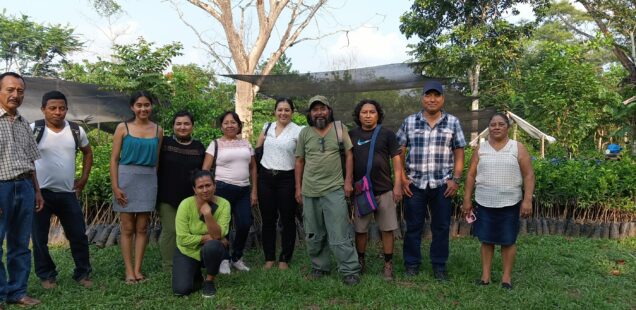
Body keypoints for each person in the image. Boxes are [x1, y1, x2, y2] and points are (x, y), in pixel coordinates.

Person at [397, 80, 466, 281]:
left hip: (442, 184)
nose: (432, 99)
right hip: (415, 184)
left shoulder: (452, 122)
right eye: (428, 95)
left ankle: (439, 265)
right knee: (413, 226)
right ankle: (411, 263)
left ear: (442, 99)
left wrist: (456, 179)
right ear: (422, 98)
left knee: (442, 227)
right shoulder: (410, 122)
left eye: (436, 95)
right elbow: (399, 150)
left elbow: (459, 151)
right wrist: (402, 178)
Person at [462, 112, 535, 289]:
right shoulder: (481, 149)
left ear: (507, 127)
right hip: (484, 201)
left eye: (501, 124)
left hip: (510, 203)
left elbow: (529, 175)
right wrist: (467, 199)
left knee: (508, 240)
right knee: (486, 240)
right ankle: (485, 277)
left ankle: (506, 278)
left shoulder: (517, 147)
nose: (496, 127)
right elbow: (471, 175)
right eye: (493, 124)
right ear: (489, 128)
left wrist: (527, 200)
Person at [295, 95, 361, 286]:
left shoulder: (340, 129)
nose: (319, 112)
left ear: (329, 110)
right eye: (315, 110)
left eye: (322, 108)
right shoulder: (305, 133)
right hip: (310, 190)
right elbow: (299, 161)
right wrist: (298, 188)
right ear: (310, 114)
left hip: (334, 189)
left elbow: (349, 156)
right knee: (314, 232)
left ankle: (349, 270)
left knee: (340, 231)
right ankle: (320, 266)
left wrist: (348, 181)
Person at [30, 91, 93, 289]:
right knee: (39, 238)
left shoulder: (76, 130)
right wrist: (33, 188)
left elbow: (87, 153)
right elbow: (25, 159)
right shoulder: (34, 129)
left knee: (78, 235)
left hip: (68, 193)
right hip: (41, 194)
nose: (58, 112)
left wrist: (83, 179)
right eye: (52, 108)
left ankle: (82, 273)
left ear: (66, 109)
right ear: (43, 109)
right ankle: (47, 275)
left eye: (62, 108)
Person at [110, 91, 163, 284]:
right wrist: (115, 186)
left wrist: (154, 183)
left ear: (151, 106)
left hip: (148, 179)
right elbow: (114, 159)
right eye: (139, 105)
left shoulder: (158, 130)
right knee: (127, 228)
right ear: (132, 107)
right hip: (125, 178)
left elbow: (156, 160)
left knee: (142, 227)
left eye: (147, 105)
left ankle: (138, 269)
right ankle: (128, 271)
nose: (143, 108)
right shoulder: (122, 128)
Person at [0, 72, 43, 307]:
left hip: (25, 186)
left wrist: (36, 191)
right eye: (10, 89)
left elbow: (32, 161)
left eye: (20, 91)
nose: (15, 95)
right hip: (1, 187)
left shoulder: (24, 123)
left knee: (20, 243)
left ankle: (17, 292)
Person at [349, 99, 403, 281]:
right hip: (361, 191)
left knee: (387, 229)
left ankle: (388, 264)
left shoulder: (387, 134)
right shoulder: (351, 135)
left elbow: (396, 160)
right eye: (364, 112)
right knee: (360, 229)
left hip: (384, 190)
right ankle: (360, 261)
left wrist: (398, 185)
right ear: (359, 115)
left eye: (372, 112)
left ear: (378, 115)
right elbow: (347, 161)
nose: (368, 115)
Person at [202, 111, 257, 274]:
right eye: (226, 123)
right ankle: (224, 259)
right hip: (221, 189)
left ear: (239, 126)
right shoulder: (215, 144)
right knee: (223, 227)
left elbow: (253, 168)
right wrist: (208, 191)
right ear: (221, 127)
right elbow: (205, 169)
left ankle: (237, 257)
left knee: (245, 223)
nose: (230, 125)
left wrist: (254, 191)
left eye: (233, 122)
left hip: (243, 190)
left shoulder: (246, 143)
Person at [255, 98, 303, 270]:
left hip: (287, 179)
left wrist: (299, 186)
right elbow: (257, 152)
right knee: (268, 220)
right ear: (275, 111)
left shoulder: (299, 131)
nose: (283, 113)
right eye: (280, 109)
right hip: (266, 178)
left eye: (287, 110)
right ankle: (269, 257)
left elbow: (301, 159)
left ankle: (284, 258)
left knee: (287, 219)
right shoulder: (266, 127)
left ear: (292, 112)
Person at [157, 111, 206, 271]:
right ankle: (169, 266)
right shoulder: (164, 143)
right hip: (167, 195)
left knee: (190, 230)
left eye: (186, 124)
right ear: (173, 126)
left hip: (191, 198)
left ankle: (191, 261)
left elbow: (203, 173)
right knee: (171, 230)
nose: (182, 127)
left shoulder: (198, 147)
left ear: (192, 126)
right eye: (178, 124)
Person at [173, 170, 231, 298]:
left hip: (210, 250)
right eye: (200, 187)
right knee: (181, 290)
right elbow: (182, 239)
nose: (205, 190)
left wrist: (207, 214)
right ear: (194, 189)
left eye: (208, 185)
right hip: (187, 250)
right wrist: (214, 238)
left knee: (213, 246)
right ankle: (197, 275)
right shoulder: (185, 205)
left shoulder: (224, 204)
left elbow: (218, 234)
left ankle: (209, 280)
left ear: (214, 185)